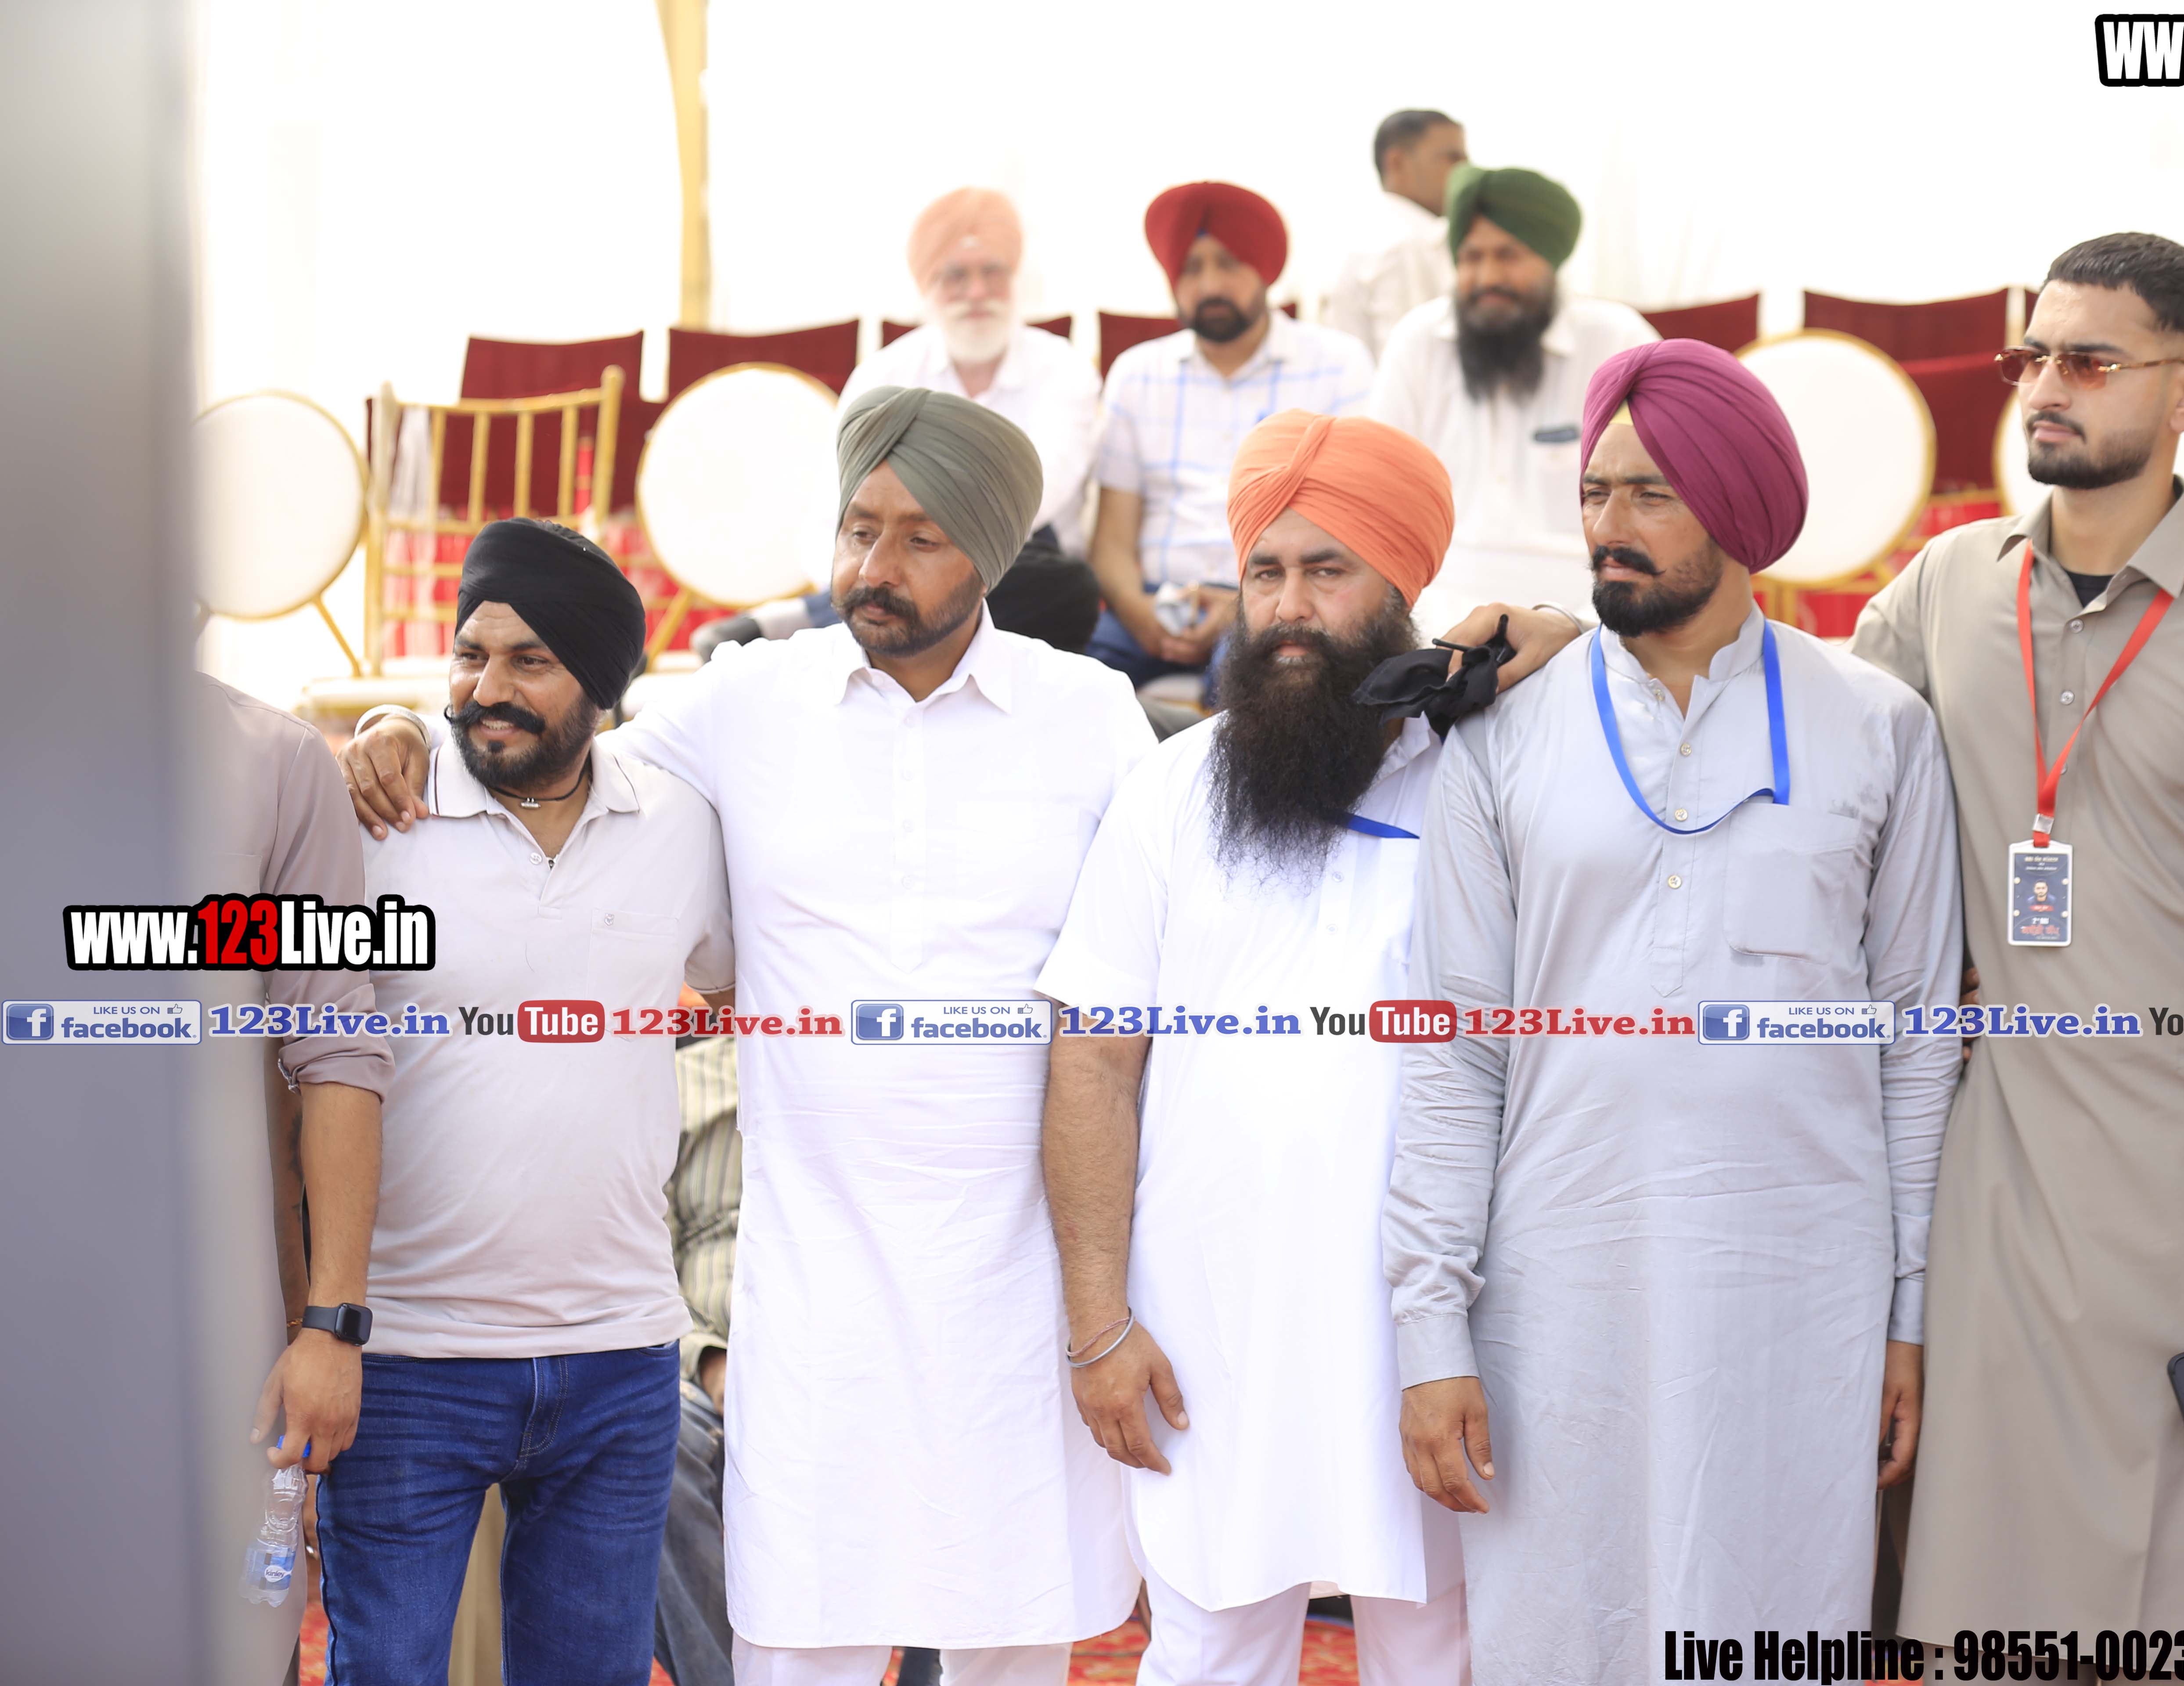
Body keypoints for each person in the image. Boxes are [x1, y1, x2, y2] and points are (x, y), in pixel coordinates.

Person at [341, 387, 1152, 1686]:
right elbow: (560, 753)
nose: (873, 565)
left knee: (1011, 1633)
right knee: (796, 1638)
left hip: (1020, 1280)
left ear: (992, 553)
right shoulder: (750, 699)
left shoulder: (1089, 714)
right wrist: (404, 729)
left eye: (920, 538)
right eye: (858, 527)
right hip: (818, 1284)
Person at [1386, 338, 1964, 1674]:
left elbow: (1917, 1043)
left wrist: (1909, 1312)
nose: (1609, 522)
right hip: (1558, 1278)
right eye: (1596, 491)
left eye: (1650, 493)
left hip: (1802, 1286)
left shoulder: (1877, 725)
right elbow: (1453, 1048)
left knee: (1773, 1618)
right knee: (1561, 1628)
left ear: (1738, 508)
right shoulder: (1503, 731)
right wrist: (1429, 1323)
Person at [1848, 231, 2184, 1636]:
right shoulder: (1944, 590)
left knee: (2183, 1621)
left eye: (2089, 361)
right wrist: (1561, 639)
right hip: (1999, 1202)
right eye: (2033, 355)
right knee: (1977, 1613)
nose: (2045, 387)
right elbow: (1803, 745)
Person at [1040, 411, 1581, 1686]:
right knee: (1205, 1652)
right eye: (1265, 572)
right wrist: (1097, 1322)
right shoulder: (1173, 789)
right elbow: (1093, 1063)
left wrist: (1547, 632)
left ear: (1403, 592)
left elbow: (1620, 675)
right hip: (1208, 1325)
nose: (1288, 608)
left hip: (1436, 1331)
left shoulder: (1489, 774)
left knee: (1438, 1653)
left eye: (1328, 570)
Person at [319, 518, 736, 1682]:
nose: (486, 690)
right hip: (406, 1359)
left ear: (600, 688)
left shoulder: (679, 825)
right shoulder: (378, 814)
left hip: (620, 1359)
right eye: (470, 655)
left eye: (530, 662)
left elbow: (733, 978)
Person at [202, 673, 393, 1682]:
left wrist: (330, 1325)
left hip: (209, 1334)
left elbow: (337, 1052)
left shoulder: (274, 764)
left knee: (227, 1639)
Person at [702, 188, 1104, 657]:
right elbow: (838, 504)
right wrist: (858, 571)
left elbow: (1033, 497)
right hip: (892, 562)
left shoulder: (1063, 369)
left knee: (1066, 588)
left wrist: (933, 550)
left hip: (1019, 561)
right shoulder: (884, 374)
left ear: (1015, 278)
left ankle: (809, 624)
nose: (977, 292)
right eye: (956, 275)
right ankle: (853, 614)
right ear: (927, 286)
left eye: (992, 272)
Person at [1088, 181, 1376, 694]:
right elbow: (1110, 539)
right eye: (1191, 268)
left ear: (1264, 269)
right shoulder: (1137, 374)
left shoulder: (1337, 365)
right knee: (1077, 686)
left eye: (1228, 263)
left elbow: (1349, 523)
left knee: (1249, 692)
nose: (1210, 284)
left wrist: (1242, 606)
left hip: (1279, 599)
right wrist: (1138, 612)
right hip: (1154, 602)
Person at [1368, 163, 1655, 594]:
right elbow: (1380, 492)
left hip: (1587, 599)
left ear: (1551, 260)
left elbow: (1660, 498)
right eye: (1471, 258)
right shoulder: (1418, 341)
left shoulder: (1618, 342)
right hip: (1435, 592)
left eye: (1508, 256)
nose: (1488, 278)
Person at [656, 1032, 741, 1686]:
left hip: (853, 1362)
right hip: (704, 1358)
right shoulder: (683, 1084)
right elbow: (643, 1262)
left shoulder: (879, 1072)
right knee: (648, 1443)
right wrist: (710, 1361)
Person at [1324, 110, 1467, 362]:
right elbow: (1414, 364)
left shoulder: (1374, 231)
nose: (1465, 172)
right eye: (1452, 158)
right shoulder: (1405, 244)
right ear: (1397, 163)